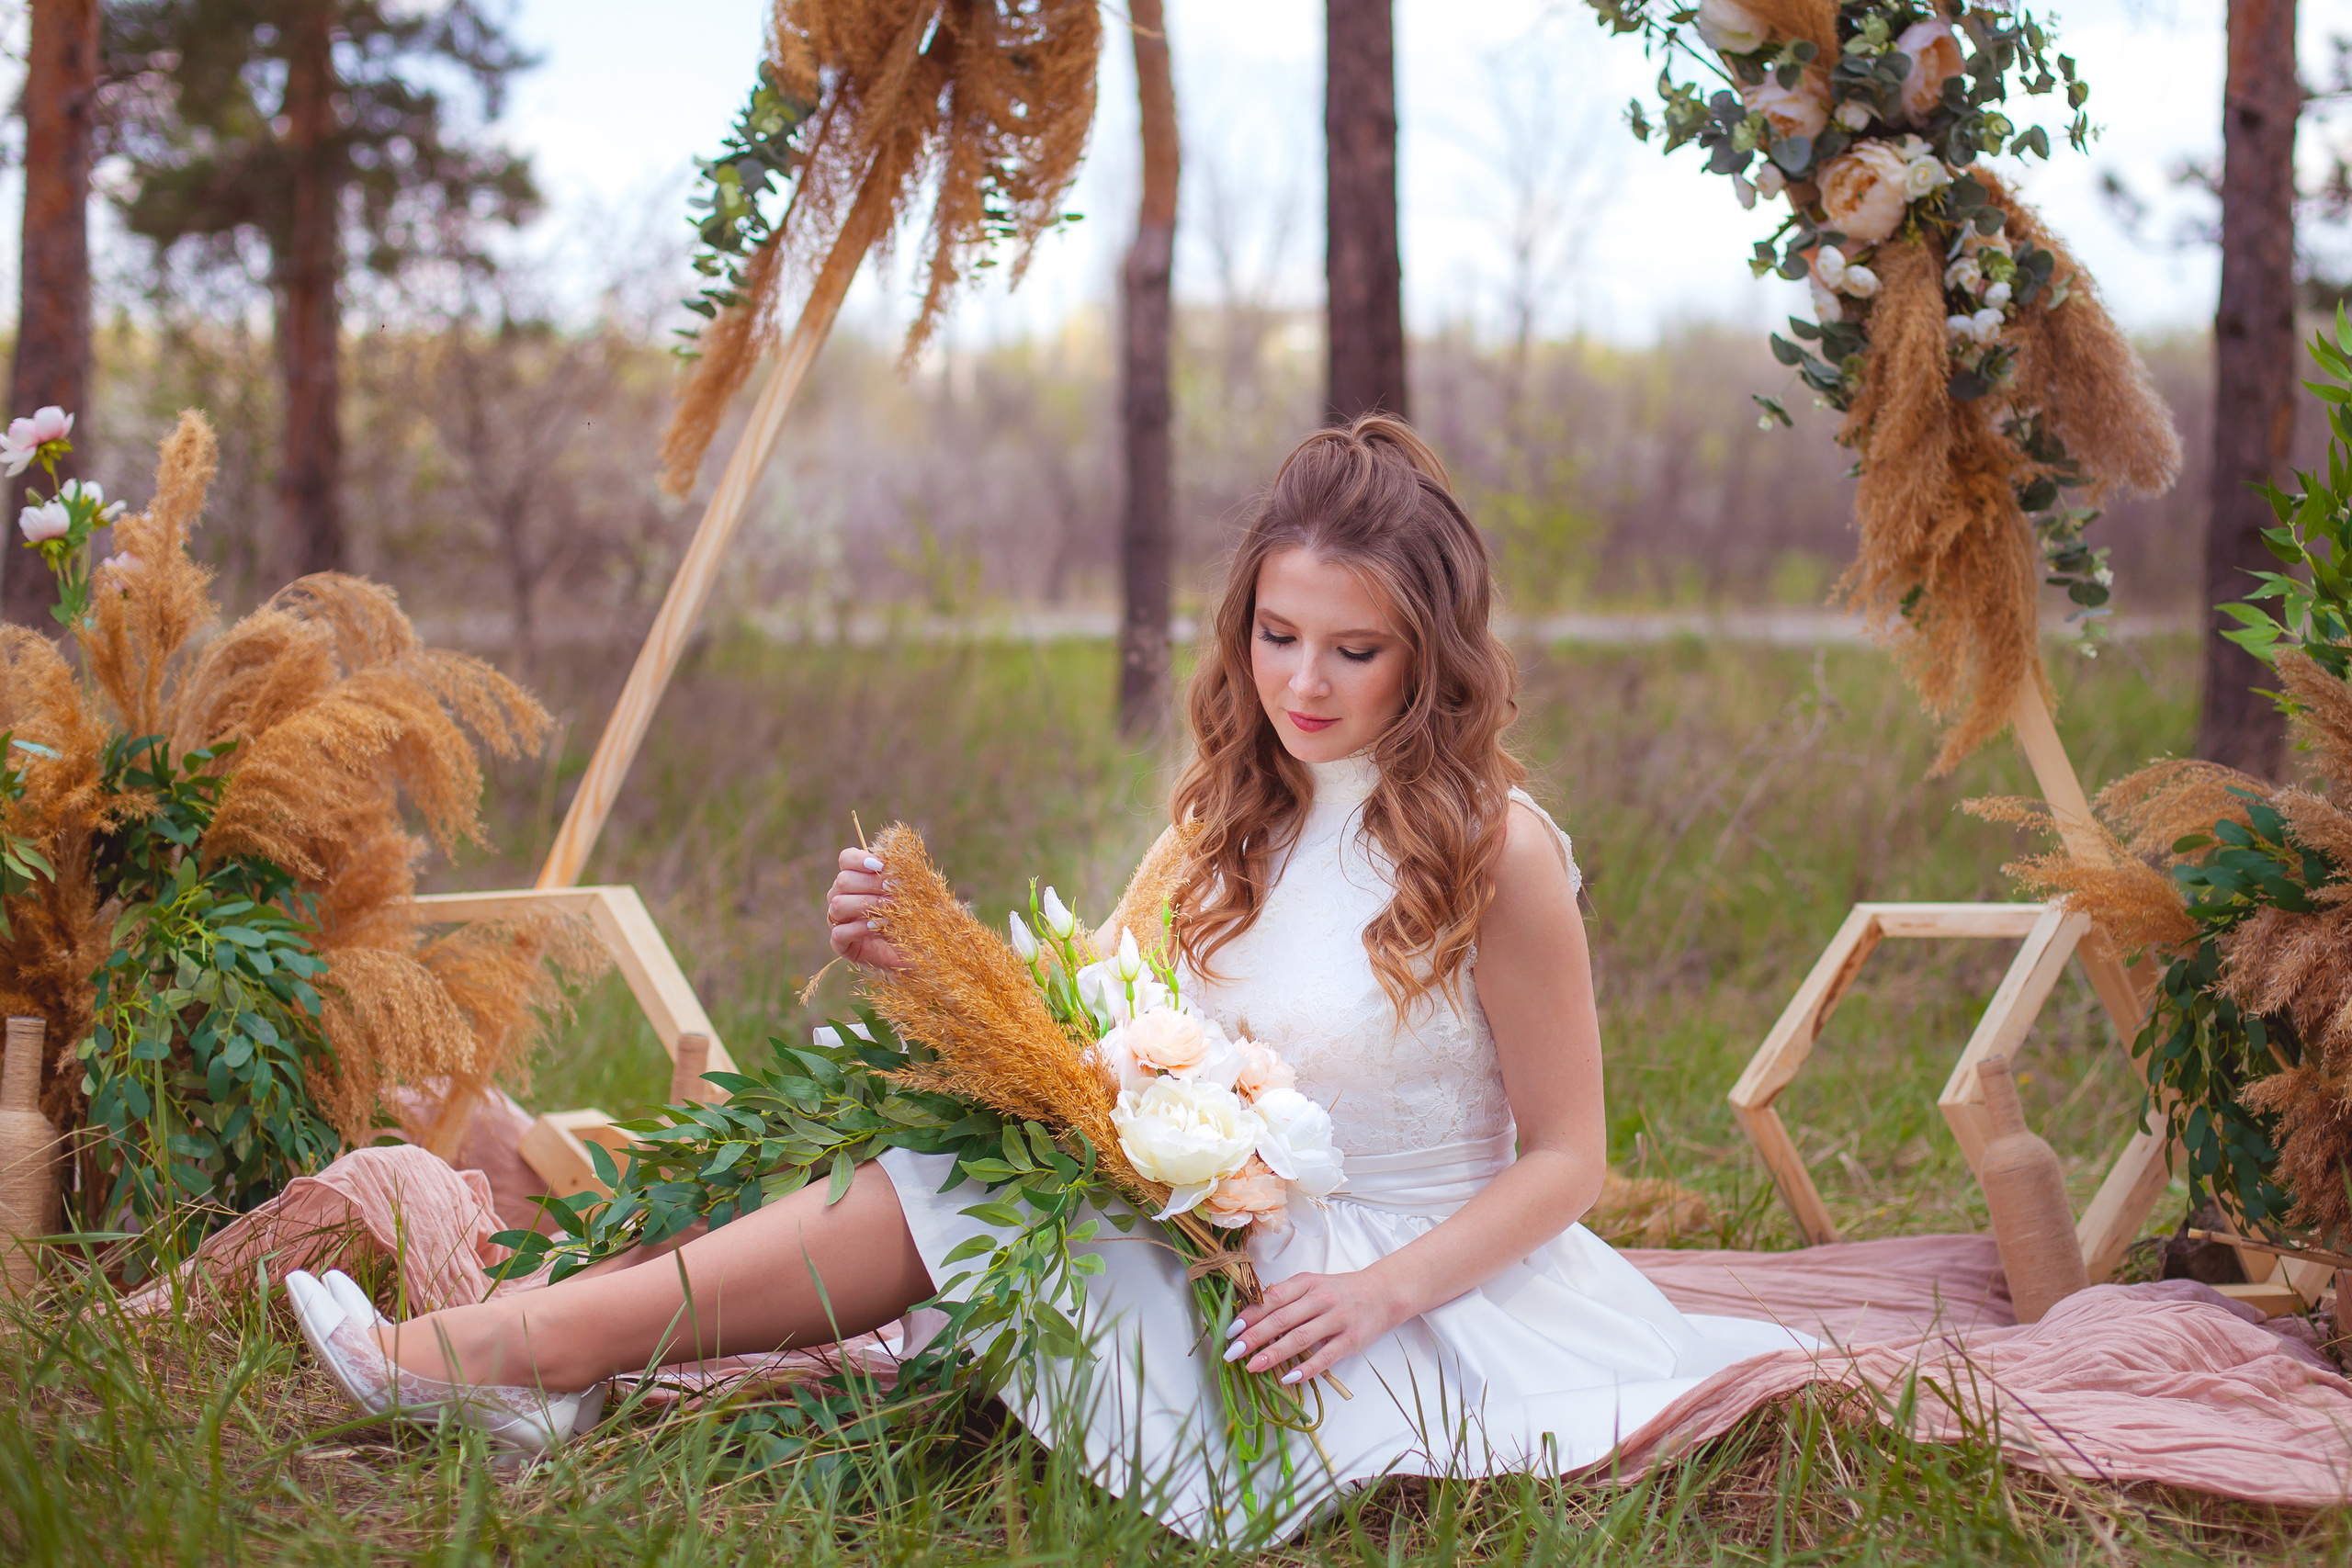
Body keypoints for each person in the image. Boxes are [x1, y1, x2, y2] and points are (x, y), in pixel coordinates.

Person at [286, 413, 1807, 1535]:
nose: (1303, 683)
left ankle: (520, 1353)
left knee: (960, 1193)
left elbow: (1569, 1156)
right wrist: (919, 963)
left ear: (1432, 656)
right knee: (963, 1162)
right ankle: (539, 1354)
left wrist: (1377, 1291)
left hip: (1403, 1283)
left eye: (1356, 651)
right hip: (1210, 1231)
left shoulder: (1497, 852)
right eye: (1278, 634)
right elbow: (1097, 1041)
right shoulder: (1229, 822)